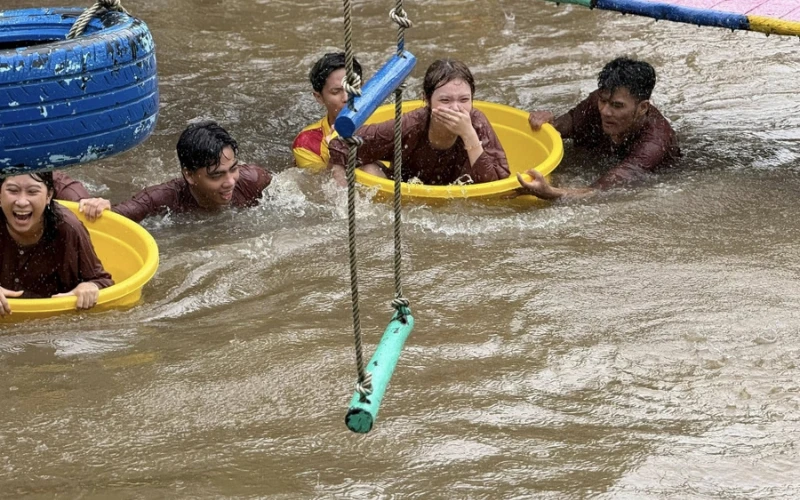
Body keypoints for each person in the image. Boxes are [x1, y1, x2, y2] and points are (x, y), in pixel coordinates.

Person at [327, 58, 510, 186]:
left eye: (464, 100)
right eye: (445, 101)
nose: (456, 109)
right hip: (409, 198)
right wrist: (341, 193)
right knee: (368, 169)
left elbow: (497, 182)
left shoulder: (476, 122)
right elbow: (342, 144)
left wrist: (468, 135)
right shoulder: (410, 125)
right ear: (427, 100)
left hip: (459, 199)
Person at [519, 57, 680, 200]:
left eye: (617, 106)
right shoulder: (598, 102)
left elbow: (601, 192)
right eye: (603, 101)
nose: (605, 111)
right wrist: (547, 124)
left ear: (643, 108)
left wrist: (551, 193)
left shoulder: (655, 141)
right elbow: (572, 123)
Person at [78, 121, 273, 223]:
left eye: (233, 169)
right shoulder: (160, 199)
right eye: (216, 175)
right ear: (189, 175)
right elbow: (116, 216)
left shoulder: (254, 179)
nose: (230, 181)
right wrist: (100, 206)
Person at [0, 172, 114, 316]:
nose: (22, 202)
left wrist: (89, 287)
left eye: (32, 192)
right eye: (13, 191)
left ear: (49, 196)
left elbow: (103, 281)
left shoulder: (67, 228)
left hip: (54, 322)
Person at [292, 52, 363, 169]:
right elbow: (322, 185)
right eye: (336, 92)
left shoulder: (387, 120)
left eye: (353, 88)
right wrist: (336, 152)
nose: (346, 98)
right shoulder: (307, 143)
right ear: (319, 97)